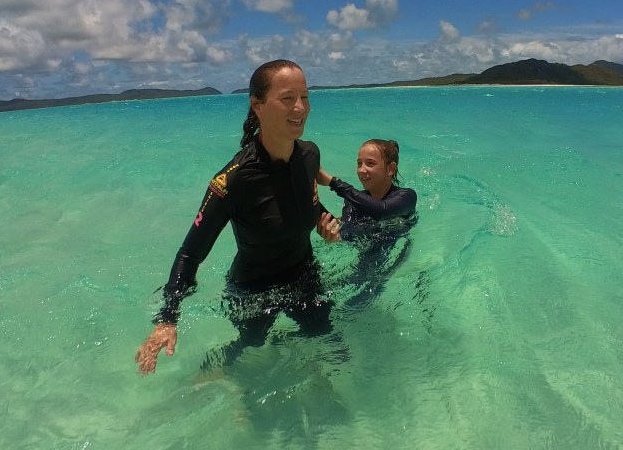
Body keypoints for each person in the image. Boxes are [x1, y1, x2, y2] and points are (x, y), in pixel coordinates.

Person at [135, 59, 341, 375]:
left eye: (305, 96)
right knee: (250, 349)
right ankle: (212, 374)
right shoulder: (233, 180)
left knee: (329, 344)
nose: (300, 107)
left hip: (304, 276)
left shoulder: (310, 154)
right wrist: (167, 318)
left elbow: (305, 201)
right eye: (287, 98)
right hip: (253, 291)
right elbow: (189, 254)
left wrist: (325, 222)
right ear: (257, 105)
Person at [316, 139, 417, 303]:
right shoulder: (353, 201)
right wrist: (335, 236)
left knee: (360, 300)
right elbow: (348, 230)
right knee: (321, 288)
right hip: (367, 249)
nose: (362, 170)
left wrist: (333, 182)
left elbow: (381, 211)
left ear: (390, 169)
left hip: (396, 249)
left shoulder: (406, 197)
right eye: (359, 163)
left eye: (370, 163)